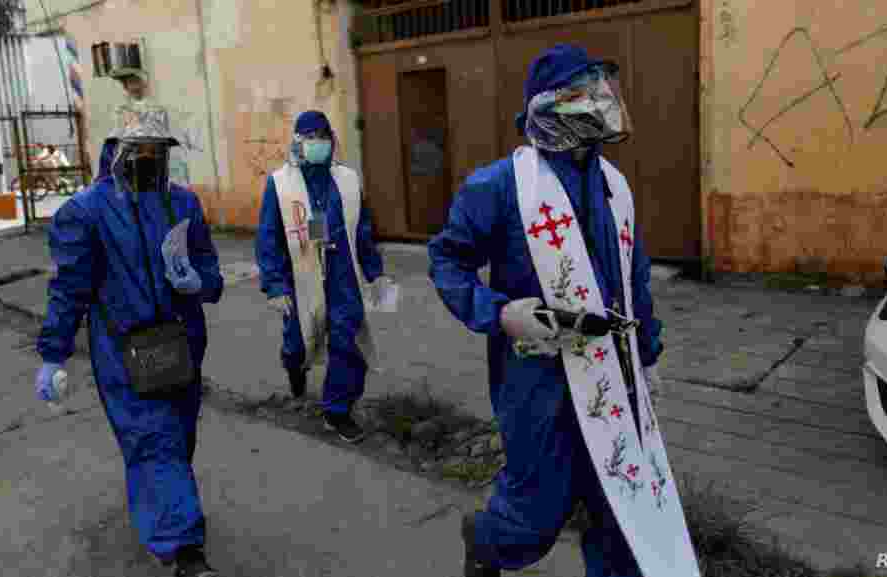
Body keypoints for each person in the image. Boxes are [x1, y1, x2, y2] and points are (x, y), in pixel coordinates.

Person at [428, 44, 670, 577]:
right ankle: (486, 541)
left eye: (606, 90)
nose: (605, 102)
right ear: (553, 105)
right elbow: (446, 258)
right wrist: (496, 312)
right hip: (538, 378)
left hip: (613, 375)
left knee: (621, 510)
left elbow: (635, 278)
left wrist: (648, 353)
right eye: (590, 91)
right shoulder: (500, 185)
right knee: (535, 517)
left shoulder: (615, 187)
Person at [34, 111, 225, 577]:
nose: (149, 159)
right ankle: (186, 552)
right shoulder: (87, 213)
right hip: (124, 353)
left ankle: (161, 518)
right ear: (118, 151)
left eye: (158, 151)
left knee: (174, 440)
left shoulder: (182, 205)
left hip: (181, 346)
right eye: (140, 150)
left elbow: (211, 273)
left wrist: (198, 280)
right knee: (154, 440)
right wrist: (54, 353)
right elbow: (70, 288)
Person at [255, 110, 393, 444]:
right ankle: (294, 367)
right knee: (299, 341)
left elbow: (362, 230)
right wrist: (274, 284)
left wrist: (375, 273)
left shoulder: (346, 180)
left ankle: (337, 410)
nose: (318, 143)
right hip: (301, 277)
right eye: (310, 137)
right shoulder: (280, 183)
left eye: (323, 136)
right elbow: (268, 237)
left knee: (348, 342)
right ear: (298, 143)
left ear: (332, 139)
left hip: (343, 275)